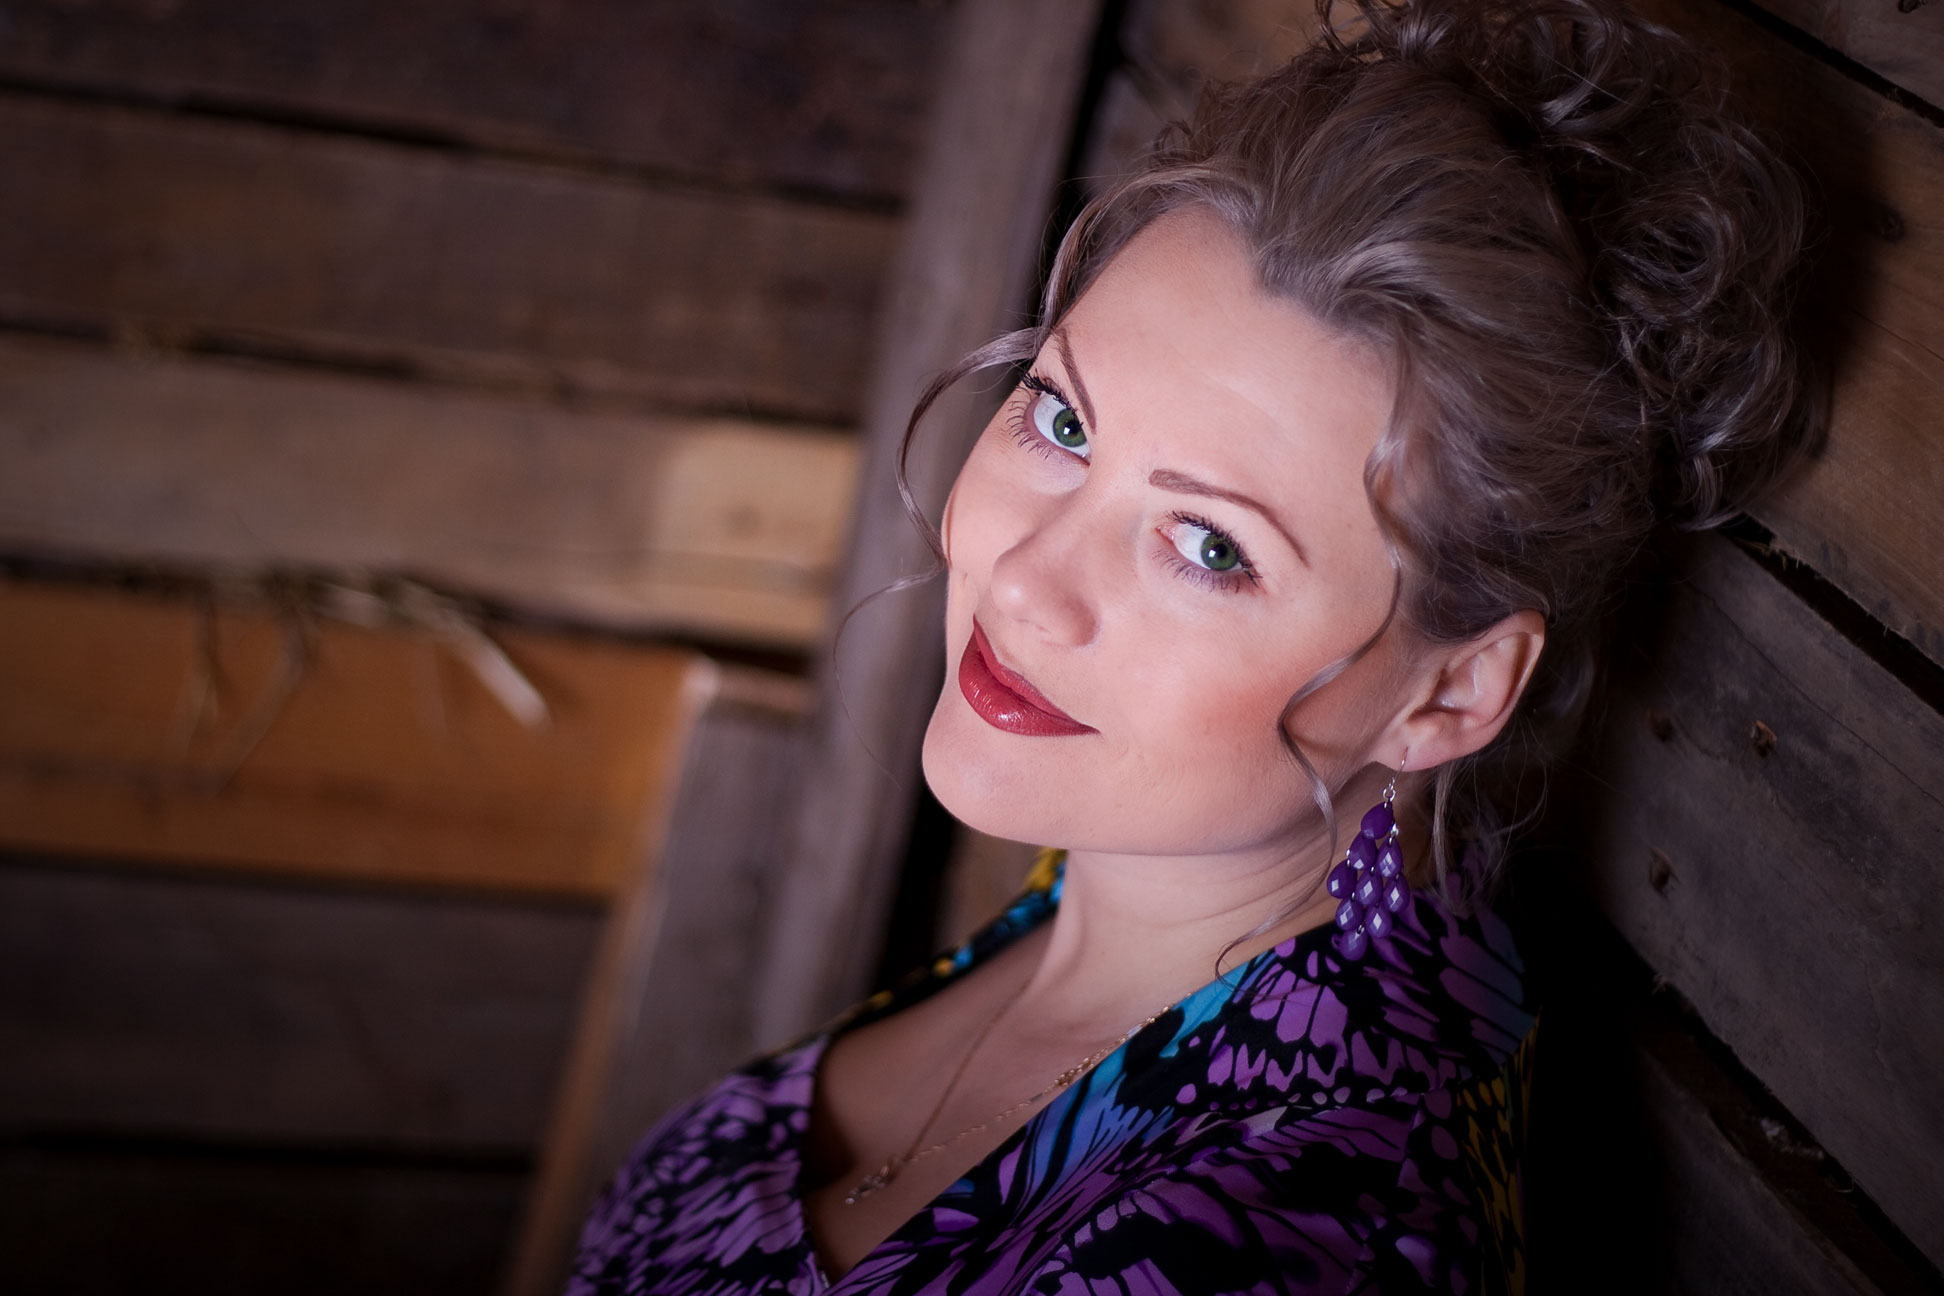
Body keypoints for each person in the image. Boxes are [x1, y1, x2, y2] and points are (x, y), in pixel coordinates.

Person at [566, 0, 1815, 1290]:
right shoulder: (1114, 894)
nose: (1025, 582)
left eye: (1210, 547)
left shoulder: (1293, 1239)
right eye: (1062, 425)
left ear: (1450, 692)